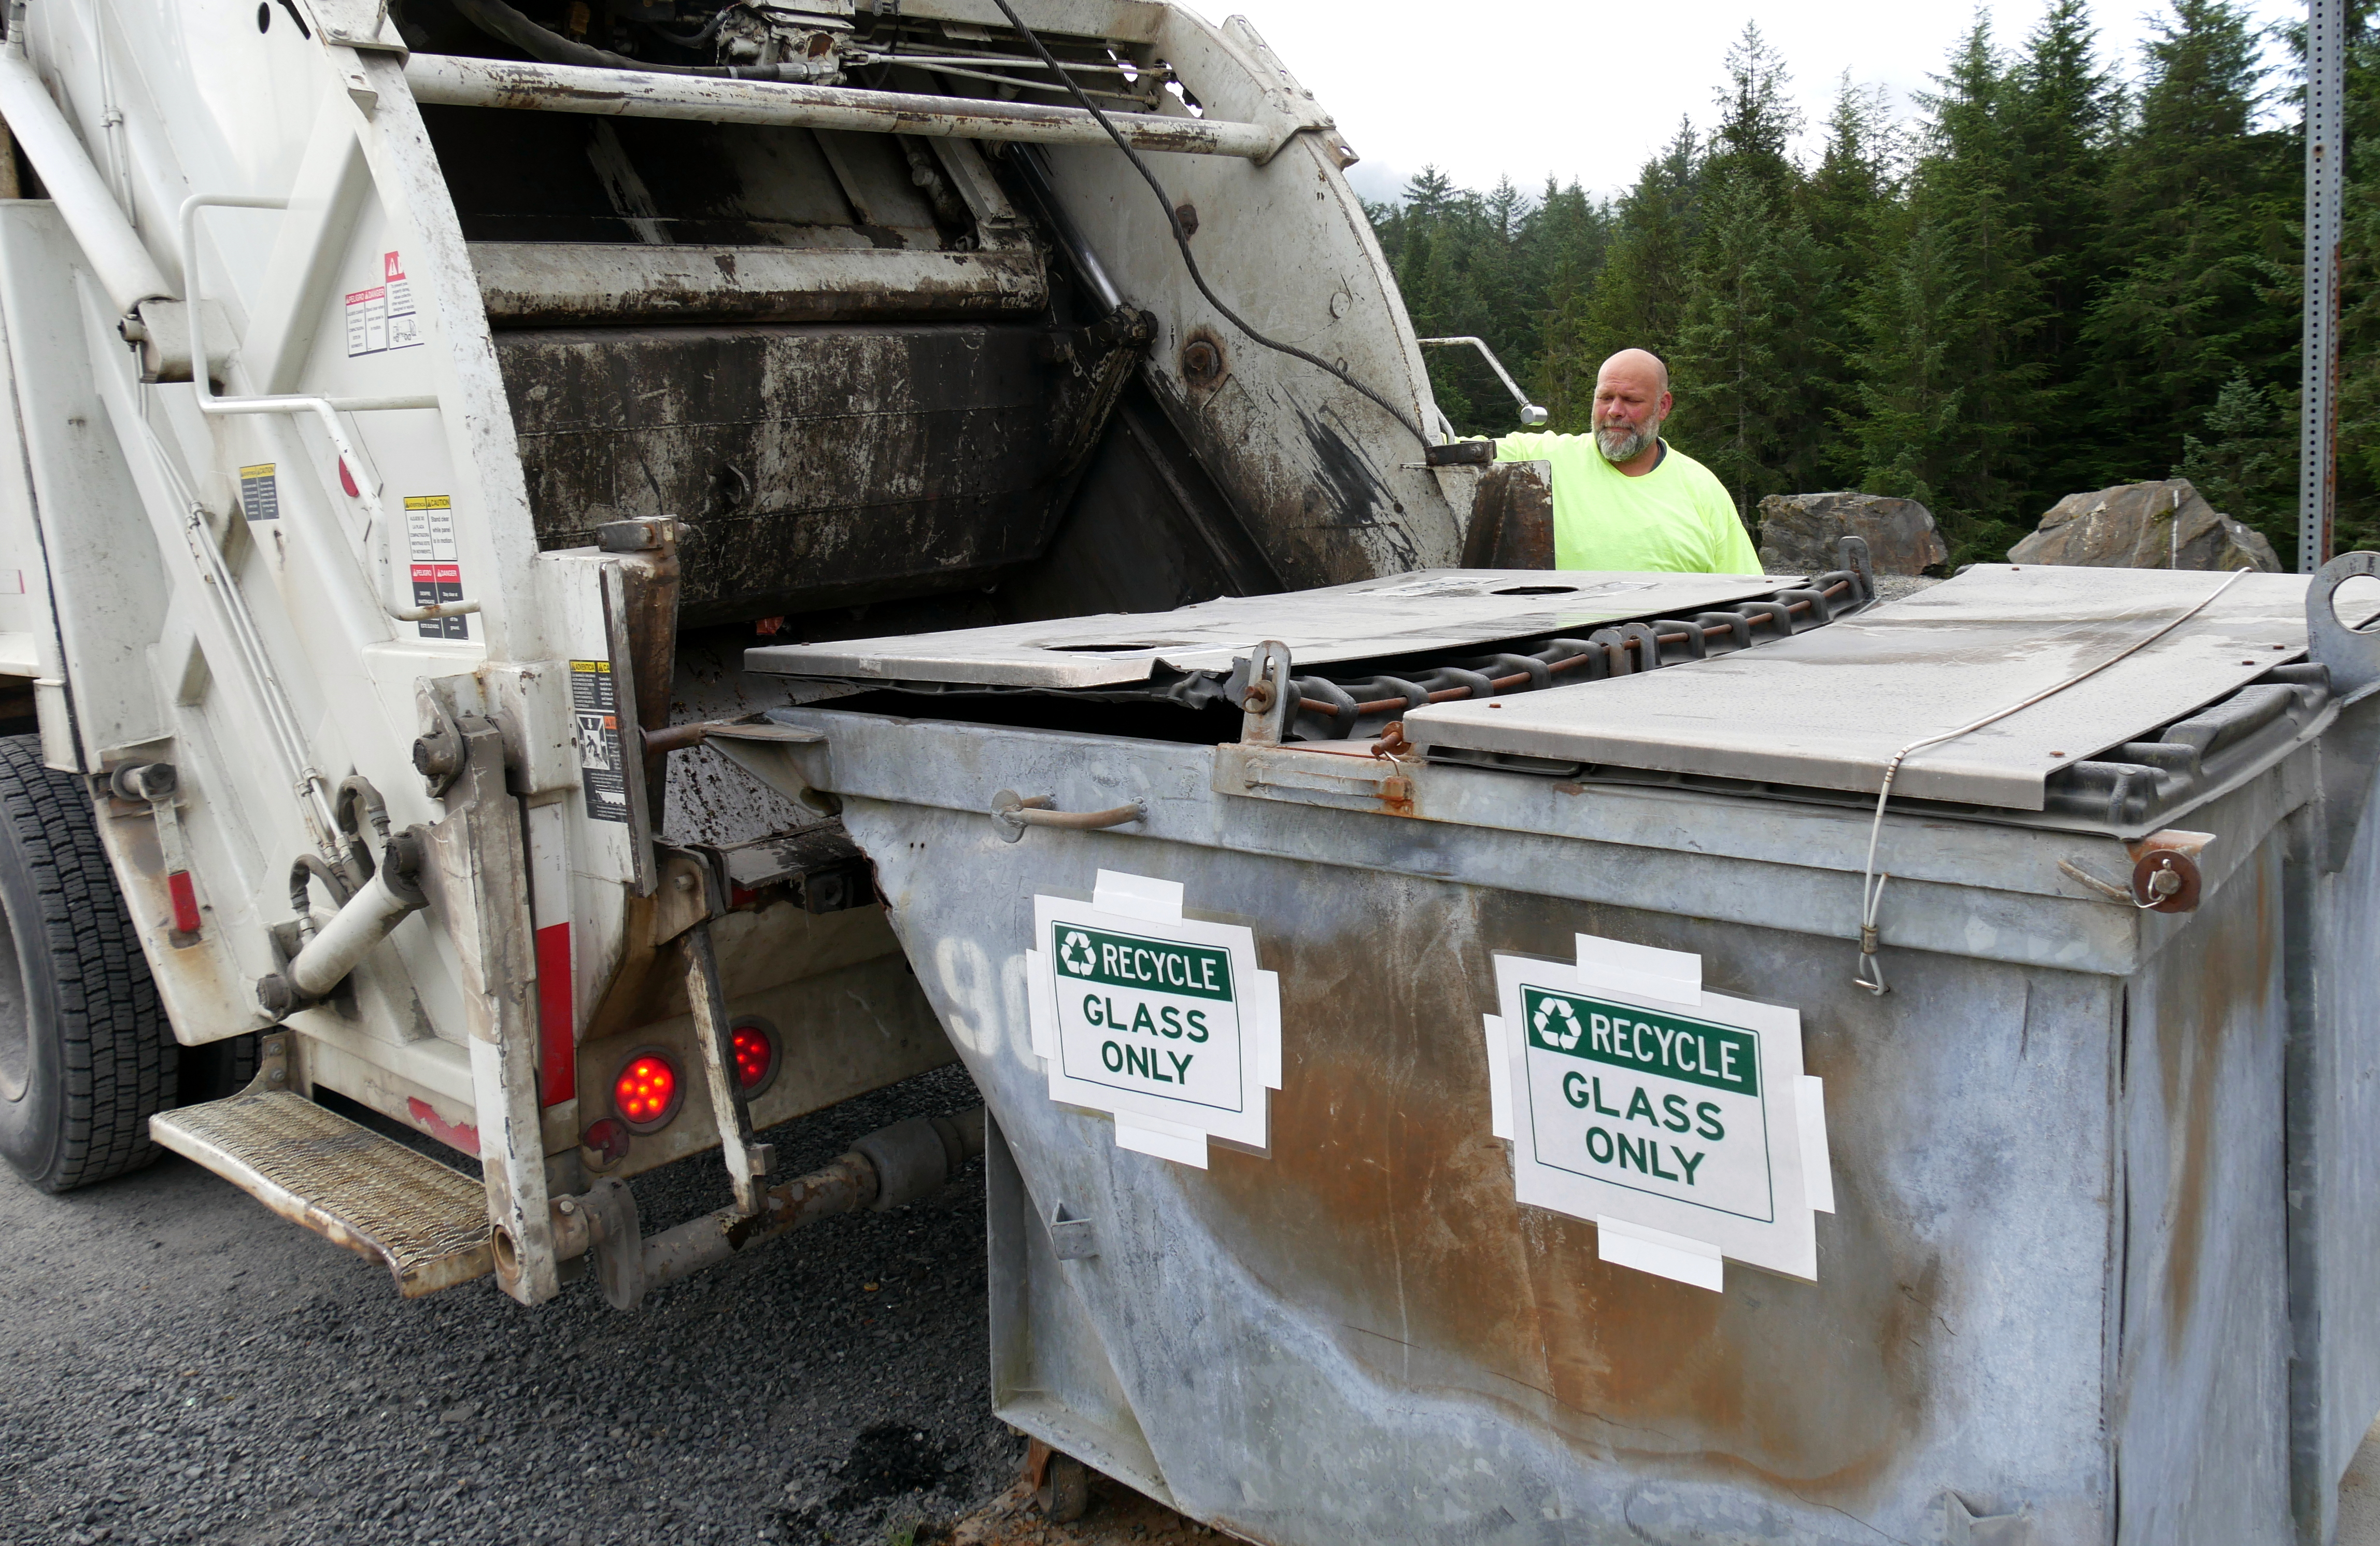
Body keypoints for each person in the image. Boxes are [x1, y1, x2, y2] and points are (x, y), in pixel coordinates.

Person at [1496, 348, 1762, 574]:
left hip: (1672, 635)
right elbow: (1458, 448)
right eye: (1606, 398)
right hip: (1566, 636)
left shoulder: (1701, 486)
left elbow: (1747, 590)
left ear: (1663, 407)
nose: (1615, 411)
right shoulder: (1541, 458)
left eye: (1631, 400)